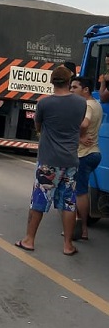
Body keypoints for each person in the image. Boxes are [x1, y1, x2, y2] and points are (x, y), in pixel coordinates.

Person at [15, 66, 86, 255]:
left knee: (39, 199)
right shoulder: (81, 104)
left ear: (52, 82)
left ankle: (29, 240)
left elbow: (38, 127)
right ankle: (68, 245)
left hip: (48, 160)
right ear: (69, 82)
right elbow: (78, 126)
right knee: (68, 203)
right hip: (71, 160)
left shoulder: (44, 104)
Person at [69, 76, 103, 240]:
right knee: (80, 189)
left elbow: (84, 124)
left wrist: (78, 136)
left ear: (86, 90)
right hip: (95, 152)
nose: (71, 90)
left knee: (80, 192)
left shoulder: (87, 105)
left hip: (85, 153)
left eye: (75, 87)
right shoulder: (97, 104)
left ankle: (82, 229)